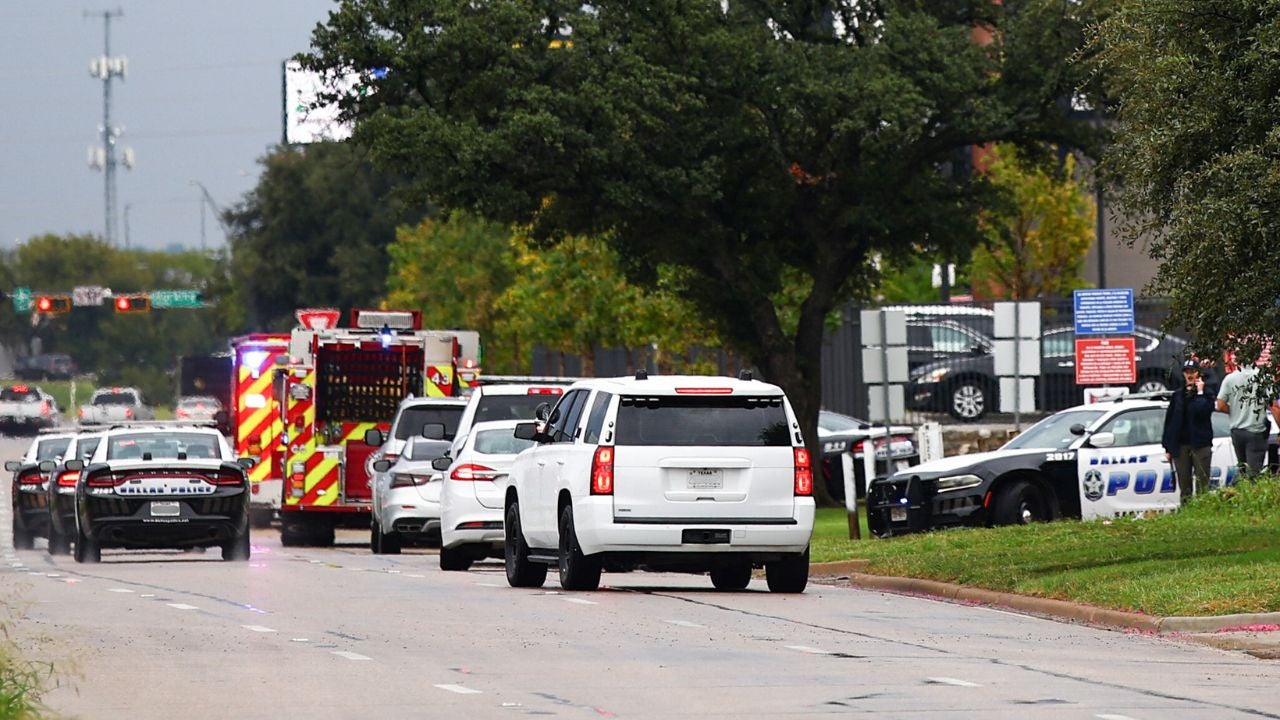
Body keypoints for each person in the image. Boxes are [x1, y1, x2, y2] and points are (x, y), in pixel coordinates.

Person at [1162, 359, 1216, 500]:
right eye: (1187, 372)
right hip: (1181, 446)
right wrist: (1168, 447)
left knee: (1202, 484)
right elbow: (1170, 422)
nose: (1189, 375)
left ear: (1199, 373)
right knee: (1184, 485)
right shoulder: (1177, 395)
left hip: (1200, 444)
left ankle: (1202, 513)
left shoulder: (1207, 394)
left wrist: (1199, 392)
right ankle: (1186, 513)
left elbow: (1202, 411)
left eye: (1193, 371)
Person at [1216, 361, 1270, 475]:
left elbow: (1220, 405)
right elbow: (1274, 406)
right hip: (1256, 431)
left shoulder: (1230, 379)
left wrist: (1236, 411)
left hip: (1237, 431)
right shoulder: (1264, 377)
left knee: (1243, 470)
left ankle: (1244, 488)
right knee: (1254, 473)